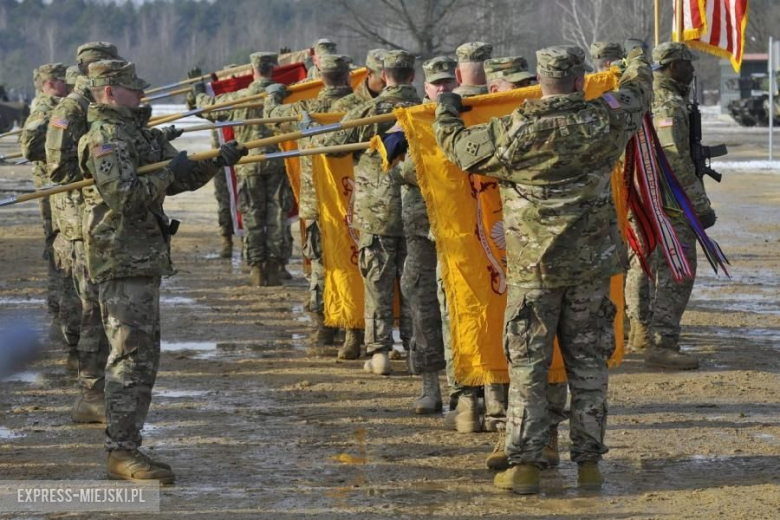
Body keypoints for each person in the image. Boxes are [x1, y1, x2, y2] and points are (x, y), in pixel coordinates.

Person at [433, 44, 652, 494]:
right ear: (578, 81)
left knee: (528, 370)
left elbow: (456, 146)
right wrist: (634, 62)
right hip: (591, 271)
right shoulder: (604, 118)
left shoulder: (512, 130)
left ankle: (526, 465)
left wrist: (447, 108)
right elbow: (638, 93)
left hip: (534, 274)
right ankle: (590, 464)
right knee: (588, 367)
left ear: (540, 80)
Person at [78, 59, 247, 483]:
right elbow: (125, 197)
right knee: (130, 359)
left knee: (142, 358)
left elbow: (179, 178)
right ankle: (121, 452)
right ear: (110, 92)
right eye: (134, 89)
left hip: (141, 258)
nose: (142, 95)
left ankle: (126, 445)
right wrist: (168, 173)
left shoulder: (134, 134)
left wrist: (215, 161)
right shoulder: (106, 138)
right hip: (120, 259)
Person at [478, 55, 567, 473]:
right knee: (498, 341)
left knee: (542, 351)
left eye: (524, 83)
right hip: (493, 256)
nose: (517, 91)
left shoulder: (523, 128)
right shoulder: (486, 122)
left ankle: (544, 436)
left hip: (532, 262)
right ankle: (505, 430)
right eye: (508, 84)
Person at [321, 50, 418, 376]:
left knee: (377, 283)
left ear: (384, 76)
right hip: (422, 214)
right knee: (415, 285)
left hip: (378, 214)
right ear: (413, 76)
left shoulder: (370, 111)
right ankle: (416, 348)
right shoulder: (431, 107)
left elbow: (332, 145)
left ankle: (380, 352)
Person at [45, 42, 125, 424]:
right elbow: (55, 165)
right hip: (80, 223)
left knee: (105, 310)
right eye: (101, 65)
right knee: (91, 310)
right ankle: (91, 394)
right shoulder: (72, 108)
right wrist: (94, 171)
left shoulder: (100, 107)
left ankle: (100, 388)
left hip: (103, 220)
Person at [264, 54, 354, 348]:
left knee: (321, 265)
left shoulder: (306, 108)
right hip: (352, 200)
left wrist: (275, 94)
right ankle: (354, 327)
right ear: (348, 76)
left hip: (317, 202)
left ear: (320, 77)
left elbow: (272, 117)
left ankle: (324, 325)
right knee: (354, 262)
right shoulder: (360, 107)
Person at [638, 42, 716, 370]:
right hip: (670, 200)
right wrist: (700, 205)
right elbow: (676, 160)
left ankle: (647, 334)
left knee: (657, 266)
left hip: (654, 197)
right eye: (686, 63)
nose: (692, 68)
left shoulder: (656, 96)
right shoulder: (667, 103)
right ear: (671, 66)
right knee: (678, 268)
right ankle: (662, 343)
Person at [192, 52, 288, 286]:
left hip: (248, 166)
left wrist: (198, 93)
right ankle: (274, 267)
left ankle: (256, 268)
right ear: (272, 69)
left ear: (253, 71)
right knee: (277, 216)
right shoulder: (284, 94)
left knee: (253, 217)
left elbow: (208, 109)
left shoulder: (239, 97)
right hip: (277, 163)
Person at [399, 56, 457, 413]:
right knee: (423, 306)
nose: (443, 89)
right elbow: (398, 168)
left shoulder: (471, 116)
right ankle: (429, 385)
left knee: (460, 309)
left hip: (460, 232)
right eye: (437, 84)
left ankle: (466, 389)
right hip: (421, 230)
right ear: (426, 88)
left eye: (449, 82)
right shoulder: (411, 121)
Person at [443, 41, 493, 435]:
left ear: (457, 76)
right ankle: (499, 406)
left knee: (459, 315)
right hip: (501, 237)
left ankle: (465, 403)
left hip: (456, 236)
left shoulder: (436, 117)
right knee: (501, 313)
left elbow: (406, 169)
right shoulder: (510, 111)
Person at [20, 62, 80, 366]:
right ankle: (61, 319)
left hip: (56, 187)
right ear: (49, 83)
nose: (64, 86)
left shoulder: (58, 105)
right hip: (55, 189)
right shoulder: (47, 107)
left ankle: (61, 318)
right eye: (60, 81)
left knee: (62, 253)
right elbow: (30, 147)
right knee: (62, 253)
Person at [329, 48, 386, 360]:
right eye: (381, 73)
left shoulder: (406, 105)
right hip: (353, 198)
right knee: (357, 268)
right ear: (370, 74)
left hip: (393, 206)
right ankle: (354, 333)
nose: (386, 78)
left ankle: (390, 342)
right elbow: (331, 148)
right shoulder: (349, 106)